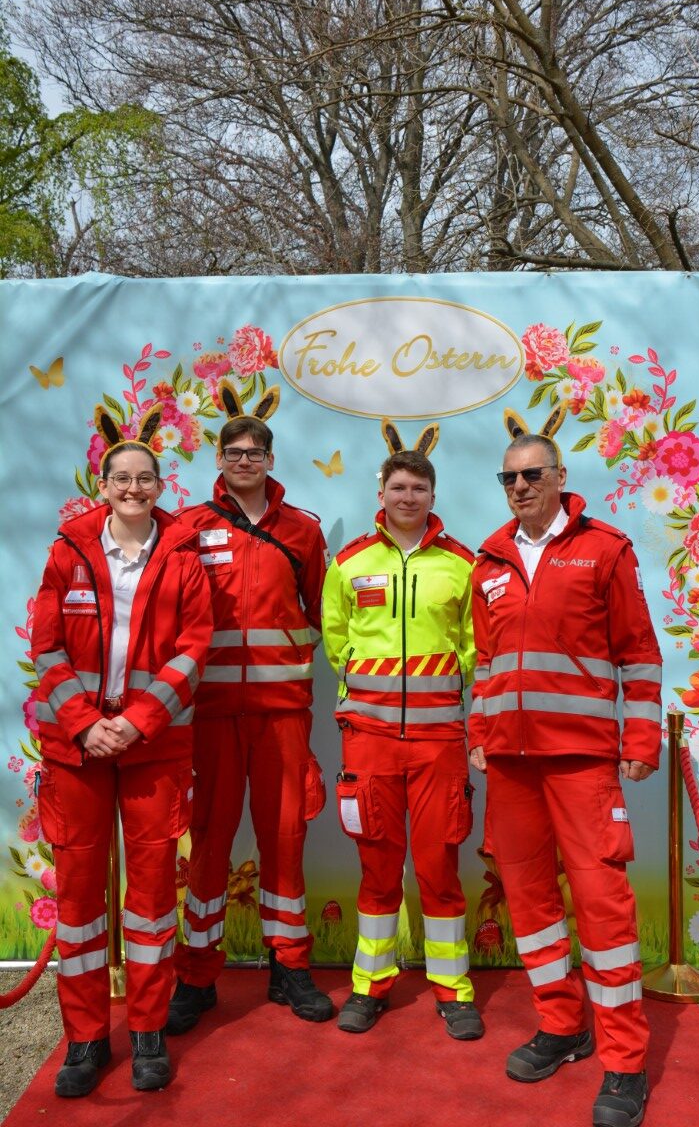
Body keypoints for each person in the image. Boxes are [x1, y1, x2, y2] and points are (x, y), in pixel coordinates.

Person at [469, 410, 662, 1127]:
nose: (519, 486)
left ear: (560, 477)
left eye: (532, 474)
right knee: (529, 904)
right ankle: (561, 1025)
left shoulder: (605, 550)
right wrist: (479, 734)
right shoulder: (489, 562)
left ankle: (624, 1062)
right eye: (508, 477)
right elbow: (485, 663)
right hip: (510, 765)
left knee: (603, 905)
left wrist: (641, 740)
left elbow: (638, 653)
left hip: (581, 761)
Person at [32, 405, 213, 1097]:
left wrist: (136, 722)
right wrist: (85, 724)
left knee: (151, 900)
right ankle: (84, 1038)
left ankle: (146, 1031)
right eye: (122, 478)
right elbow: (46, 647)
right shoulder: (68, 551)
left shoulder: (184, 557)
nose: (134, 488)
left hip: (152, 748)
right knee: (80, 898)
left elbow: (192, 651)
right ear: (102, 485)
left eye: (145, 478)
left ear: (160, 486)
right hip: (75, 749)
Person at [168, 379, 332, 1033]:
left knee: (285, 837)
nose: (244, 461)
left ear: (270, 459)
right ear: (218, 458)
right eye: (233, 452)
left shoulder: (303, 531)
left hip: (281, 713)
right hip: (209, 714)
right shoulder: (188, 527)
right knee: (208, 840)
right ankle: (196, 975)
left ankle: (289, 967)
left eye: (254, 453)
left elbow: (322, 616)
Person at [321, 437, 484, 1041]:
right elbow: (335, 638)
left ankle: (453, 990)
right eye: (398, 487)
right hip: (368, 740)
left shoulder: (462, 565)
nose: (408, 497)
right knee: (377, 866)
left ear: (433, 495)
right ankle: (370, 986)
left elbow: (475, 645)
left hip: (440, 740)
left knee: (440, 866)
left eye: (418, 488)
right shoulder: (349, 563)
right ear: (381, 493)